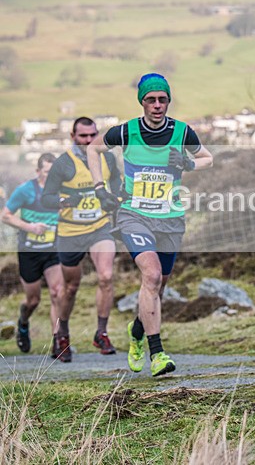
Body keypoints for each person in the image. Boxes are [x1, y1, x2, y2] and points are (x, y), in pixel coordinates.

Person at [87, 73, 213, 377]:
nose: (157, 105)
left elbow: (208, 158)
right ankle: (156, 353)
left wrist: (188, 163)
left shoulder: (182, 132)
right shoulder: (126, 131)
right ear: (142, 102)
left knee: (158, 285)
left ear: (168, 101)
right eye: (150, 99)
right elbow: (93, 148)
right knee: (152, 274)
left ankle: (137, 329)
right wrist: (99, 188)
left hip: (169, 219)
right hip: (134, 215)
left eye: (162, 99)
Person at [42, 117, 122, 362]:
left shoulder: (107, 158)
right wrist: (66, 202)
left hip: (99, 228)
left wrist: (114, 198)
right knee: (70, 287)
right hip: (70, 233)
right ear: (73, 136)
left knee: (106, 276)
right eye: (83, 136)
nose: (88, 140)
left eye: (92, 135)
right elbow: (46, 199)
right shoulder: (63, 164)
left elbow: (117, 183)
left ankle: (101, 332)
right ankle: (62, 334)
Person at [1, 153, 64, 354]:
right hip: (29, 252)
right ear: (38, 172)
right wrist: (30, 227)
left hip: (53, 250)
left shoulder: (62, 190)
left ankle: (58, 340)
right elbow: (6, 216)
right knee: (33, 300)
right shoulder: (25, 190)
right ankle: (23, 322)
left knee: (57, 292)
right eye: (47, 172)